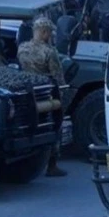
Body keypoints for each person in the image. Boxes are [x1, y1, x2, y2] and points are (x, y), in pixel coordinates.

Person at [17, 17, 68, 177]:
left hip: (28, 92)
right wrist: (63, 93)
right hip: (47, 92)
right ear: (44, 32)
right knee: (55, 126)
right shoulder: (49, 52)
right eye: (50, 32)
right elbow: (57, 76)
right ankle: (52, 165)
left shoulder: (22, 48)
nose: (51, 35)